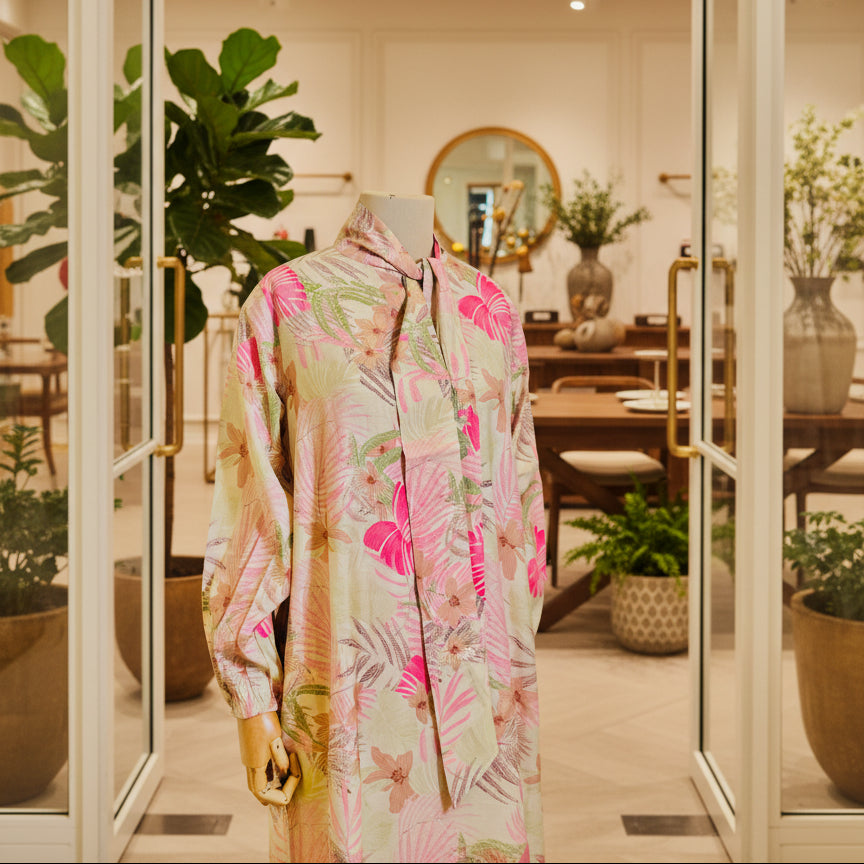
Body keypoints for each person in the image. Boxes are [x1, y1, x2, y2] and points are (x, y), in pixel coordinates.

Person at [202, 191, 548, 862]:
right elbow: (252, 510)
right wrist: (250, 692)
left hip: (488, 681)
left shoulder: (491, 310)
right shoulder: (286, 303)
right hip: (351, 673)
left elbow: (520, 495)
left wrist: (515, 644)